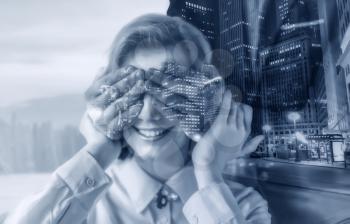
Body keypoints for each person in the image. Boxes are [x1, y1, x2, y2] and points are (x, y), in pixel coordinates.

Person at [4, 14, 270, 224]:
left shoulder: (242, 206)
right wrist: (96, 151)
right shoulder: (82, 205)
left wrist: (208, 168)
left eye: (169, 93)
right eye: (132, 94)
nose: (148, 113)